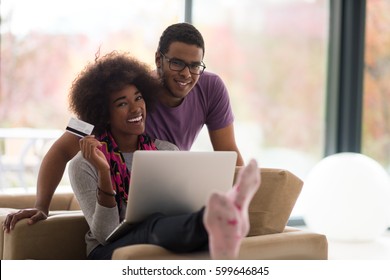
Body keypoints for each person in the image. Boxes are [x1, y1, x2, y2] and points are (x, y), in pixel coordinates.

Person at [2, 22, 244, 231]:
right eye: (177, 63)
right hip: (116, 200)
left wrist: (246, 205)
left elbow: (229, 153)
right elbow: (61, 150)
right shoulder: (129, 93)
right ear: (159, 59)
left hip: (163, 195)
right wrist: (41, 206)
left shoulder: (211, 88)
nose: (187, 74)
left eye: (195, 65)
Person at [66, 52, 259, 259]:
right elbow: (105, 235)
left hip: (161, 233)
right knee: (152, 225)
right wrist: (104, 172)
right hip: (103, 252)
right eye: (122, 104)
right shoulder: (84, 164)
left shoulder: (166, 151)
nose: (135, 109)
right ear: (104, 114)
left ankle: (221, 223)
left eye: (139, 98)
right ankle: (215, 219)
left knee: (161, 222)